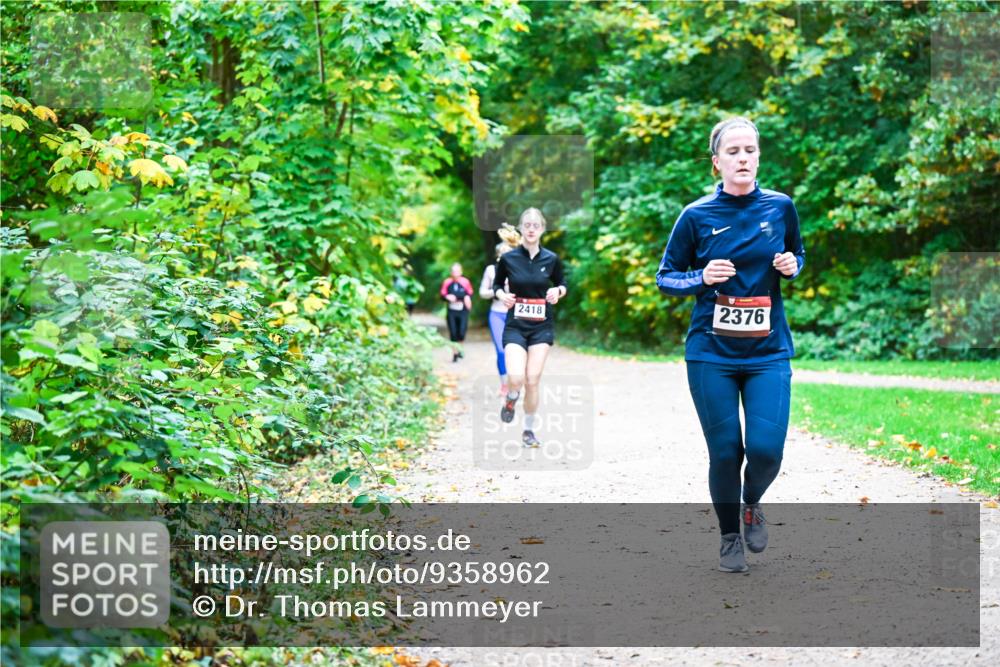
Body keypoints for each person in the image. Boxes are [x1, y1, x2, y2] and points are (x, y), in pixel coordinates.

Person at [655, 117, 805, 573]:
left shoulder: (780, 207)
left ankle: (751, 502)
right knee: (725, 452)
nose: (743, 158)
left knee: (766, 450)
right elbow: (666, 277)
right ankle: (728, 538)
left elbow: (799, 253)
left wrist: (791, 265)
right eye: (734, 152)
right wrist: (701, 277)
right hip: (710, 353)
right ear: (716, 161)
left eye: (751, 150)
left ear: (759, 156)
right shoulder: (696, 216)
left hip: (768, 352)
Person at [493, 208, 567, 448]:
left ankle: (528, 430)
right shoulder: (508, 259)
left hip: (541, 327)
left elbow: (562, 284)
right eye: (527, 225)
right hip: (515, 325)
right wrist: (502, 294)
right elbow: (496, 285)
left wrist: (558, 291)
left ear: (543, 229)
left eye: (536, 225)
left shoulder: (551, 259)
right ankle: (511, 398)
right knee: (516, 378)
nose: (532, 229)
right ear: (521, 229)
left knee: (532, 379)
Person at [479, 224, 521, 395]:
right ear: (498, 256)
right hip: (497, 314)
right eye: (503, 254)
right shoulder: (491, 270)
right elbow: (482, 293)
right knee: (501, 351)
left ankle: (515, 381)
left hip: (516, 314)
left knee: (517, 350)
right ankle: (504, 383)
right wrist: (496, 291)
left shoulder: (517, 270)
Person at [440, 263, 473, 362]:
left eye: (457, 271)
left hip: (463, 310)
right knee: (453, 332)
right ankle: (455, 354)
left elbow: (470, 293)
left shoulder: (465, 282)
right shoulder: (447, 282)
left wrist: (467, 298)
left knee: (461, 332)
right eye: (454, 271)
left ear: (461, 272)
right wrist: (447, 297)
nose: (456, 273)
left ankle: (460, 349)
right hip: (451, 311)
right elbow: (442, 295)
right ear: (451, 272)